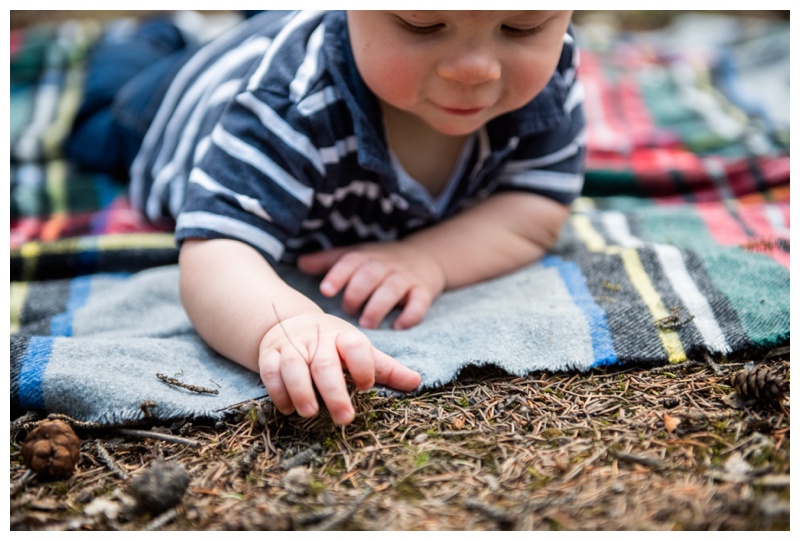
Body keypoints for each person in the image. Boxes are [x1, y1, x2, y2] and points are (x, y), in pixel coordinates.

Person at [66, 10, 586, 425]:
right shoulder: (294, 101)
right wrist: (286, 324)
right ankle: (152, 35)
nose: (476, 68)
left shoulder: (552, 77)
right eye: (422, 24)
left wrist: (429, 258)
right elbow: (216, 248)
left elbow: (534, 210)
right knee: (95, 126)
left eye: (520, 27)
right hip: (169, 104)